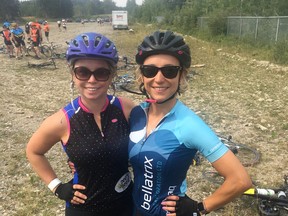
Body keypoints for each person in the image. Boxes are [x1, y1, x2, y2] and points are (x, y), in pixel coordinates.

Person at [128, 30, 252, 216]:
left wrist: (198, 208)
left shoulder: (189, 124)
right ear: (142, 75)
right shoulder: (137, 113)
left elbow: (240, 180)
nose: (159, 79)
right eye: (150, 70)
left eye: (169, 71)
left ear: (181, 75)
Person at [26, 32, 135, 216]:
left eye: (101, 72)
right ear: (73, 75)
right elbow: (33, 151)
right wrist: (56, 186)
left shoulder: (126, 108)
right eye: (83, 72)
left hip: (125, 204)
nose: (91, 80)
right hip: (84, 209)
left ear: (111, 76)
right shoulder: (62, 120)